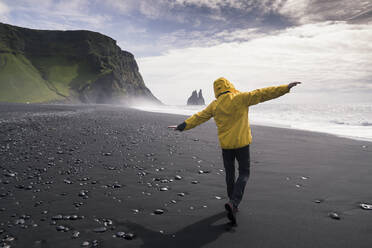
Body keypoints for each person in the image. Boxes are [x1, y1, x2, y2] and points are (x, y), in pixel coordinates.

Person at [169, 77, 301, 225]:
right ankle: (233, 203)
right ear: (229, 85)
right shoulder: (240, 98)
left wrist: (182, 126)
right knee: (244, 173)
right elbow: (263, 93)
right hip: (242, 144)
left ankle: (232, 203)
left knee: (230, 175)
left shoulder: (215, 105)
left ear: (216, 90)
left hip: (226, 146)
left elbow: (199, 117)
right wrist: (285, 88)